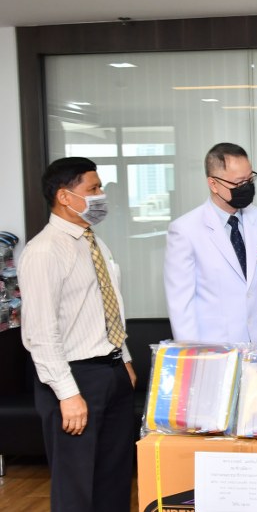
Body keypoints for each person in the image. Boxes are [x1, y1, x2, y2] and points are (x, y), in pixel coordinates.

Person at [18, 157, 136, 511]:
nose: (101, 195)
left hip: (111, 371)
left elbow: (106, 305)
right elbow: (41, 332)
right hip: (74, 378)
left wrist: (124, 359)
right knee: (76, 483)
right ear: (64, 196)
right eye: (93, 188)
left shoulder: (93, 241)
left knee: (114, 476)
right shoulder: (44, 250)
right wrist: (68, 394)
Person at [164, 142, 257, 345]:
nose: (246, 187)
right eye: (238, 183)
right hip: (214, 349)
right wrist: (193, 357)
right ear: (213, 184)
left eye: (249, 179)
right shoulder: (185, 230)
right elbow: (181, 307)